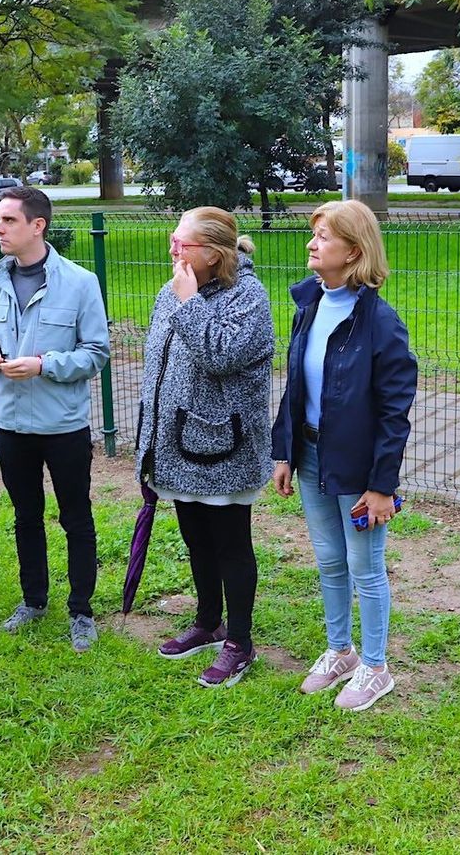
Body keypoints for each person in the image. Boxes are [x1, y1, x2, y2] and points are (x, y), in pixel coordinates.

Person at [271, 200, 418, 712]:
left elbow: (394, 413)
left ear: (353, 251)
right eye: (313, 235)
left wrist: (382, 486)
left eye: (324, 237)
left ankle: (376, 668)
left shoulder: (381, 323)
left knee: (364, 564)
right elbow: (296, 387)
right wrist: (284, 452)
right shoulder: (308, 304)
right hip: (310, 456)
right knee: (329, 560)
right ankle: (341, 652)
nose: (312, 244)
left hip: (358, 470)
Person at [138, 207, 275, 688]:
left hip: (225, 448)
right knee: (196, 537)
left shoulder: (248, 296)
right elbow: (157, 366)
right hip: (178, 444)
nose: (173, 250)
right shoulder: (173, 290)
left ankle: (239, 640)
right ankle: (207, 621)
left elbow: (219, 356)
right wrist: (149, 435)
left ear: (214, 254)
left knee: (231, 544)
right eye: (173, 240)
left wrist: (189, 302)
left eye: (182, 244)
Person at [0, 187, 110, 652]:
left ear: (38, 225)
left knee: (76, 517)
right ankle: (34, 601)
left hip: (63, 427)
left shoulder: (79, 282)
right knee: (25, 516)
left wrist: (44, 364)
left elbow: (96, 353)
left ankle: (81, 610)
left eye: (8, 221)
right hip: (10, 423)